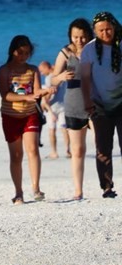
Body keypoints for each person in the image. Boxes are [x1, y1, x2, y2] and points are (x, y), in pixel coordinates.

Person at [0, 35, 53, 204]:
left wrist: (45, 92)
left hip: (30, 115)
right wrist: (26, 97)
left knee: (33, 150)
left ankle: (36, 188)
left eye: (27, 53)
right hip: (10, 116)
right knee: (16, 155)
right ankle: (18, 192)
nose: (23, 56)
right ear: (12, 51)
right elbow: (5, 95)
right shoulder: (4, 70)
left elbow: (36, 91)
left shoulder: (33, 70)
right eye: (20, 52)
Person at [80, 11, 122, 199]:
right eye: (101, 30)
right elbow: (85, 78)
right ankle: (106, 186)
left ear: (114, 27)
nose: (106, 33)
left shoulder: (120, 45)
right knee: (103, 148)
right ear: (95, 31)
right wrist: (88, 102)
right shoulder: (89, 49)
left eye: (108, 29)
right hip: (100, 105)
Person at [51, 18, 94, 199]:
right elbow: (53, 79)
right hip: (73, 105)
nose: (79, 41)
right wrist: (61, 76)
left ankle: (106, 186)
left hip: (95, 104)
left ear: (88, 35)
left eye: (83, 37)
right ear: (70, 36)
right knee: (77, 150)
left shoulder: (94, 50)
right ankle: (78, 191)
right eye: (75, 37)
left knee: (101, 146)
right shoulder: (65, 53)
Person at [38, 60, 67, 159]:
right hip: (63, 105)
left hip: (53, 107)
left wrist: (45, 105)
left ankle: (54, 152)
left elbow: (50, 93)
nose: (41, 74)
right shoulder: (60, 75)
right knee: (64, 129)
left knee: (52, 130)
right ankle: (68, 150)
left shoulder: (49, 78)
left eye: (42, 71)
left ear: (46, 68)